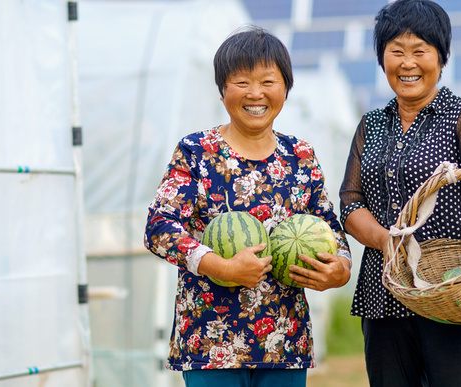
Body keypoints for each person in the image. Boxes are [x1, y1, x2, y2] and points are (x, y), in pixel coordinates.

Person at [144, 26, 352, 387]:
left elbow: (329, 225)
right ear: (222, 90)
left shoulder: (299, 156)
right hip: (211, 342)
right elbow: (159, 227)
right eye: (241, 82)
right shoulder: (197, 151)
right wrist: (218, 266)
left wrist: (341, 268)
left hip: (284, 341)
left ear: (285, 87)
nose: (256, 93)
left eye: (268, 81)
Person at [338, 1, 461, 386]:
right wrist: (386, 242)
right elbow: (350, 201)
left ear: (440, 59)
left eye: (420, 51)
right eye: (396, 51)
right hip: (383, 293)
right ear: (382, 60)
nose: (407, 63)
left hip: (453, 289)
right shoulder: (371, 124)